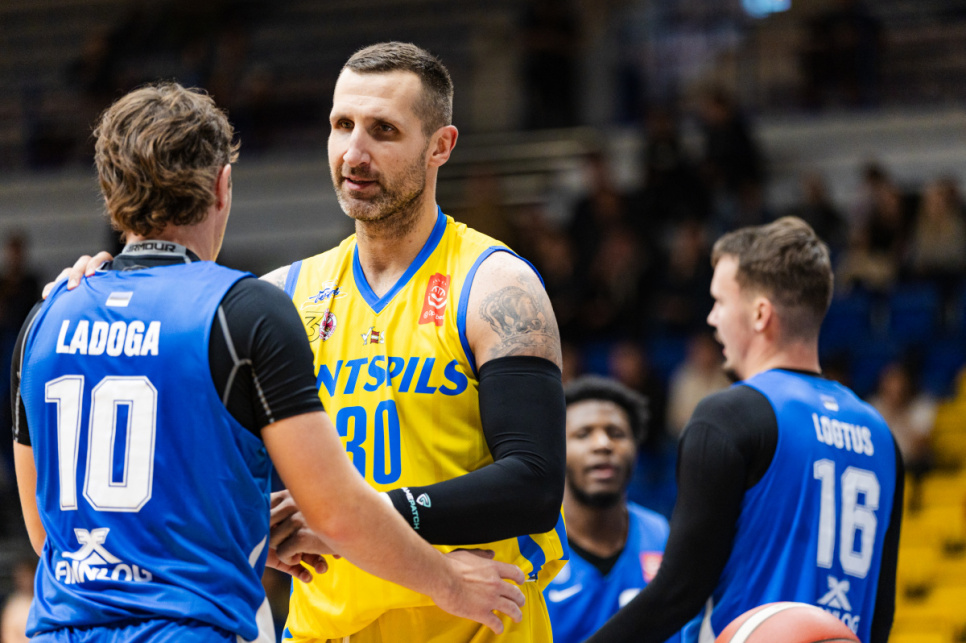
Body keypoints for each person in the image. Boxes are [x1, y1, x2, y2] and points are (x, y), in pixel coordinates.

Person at [60, 43, 567, 643]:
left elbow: (533, 484)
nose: (354, 153)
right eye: (342, 125)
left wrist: (353, 519)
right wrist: (105, 286)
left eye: (383, 130)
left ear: (440, 146)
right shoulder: (281, 294)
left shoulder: (494, 284)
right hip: (322, 631)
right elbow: (184, 467)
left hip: (473, 623)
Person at [584, 217, 904, 643]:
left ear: (759, 314)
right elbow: (880, 613)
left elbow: (678, 593)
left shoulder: (730, 415)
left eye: (719, 302)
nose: (712, 317)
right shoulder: (880, 434)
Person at [545, 375, 679, 643]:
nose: (603, 445)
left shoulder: (663, 537)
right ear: (556, 450)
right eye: (583, 434)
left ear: (636, 448)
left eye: (616, 433)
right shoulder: (529, 548)